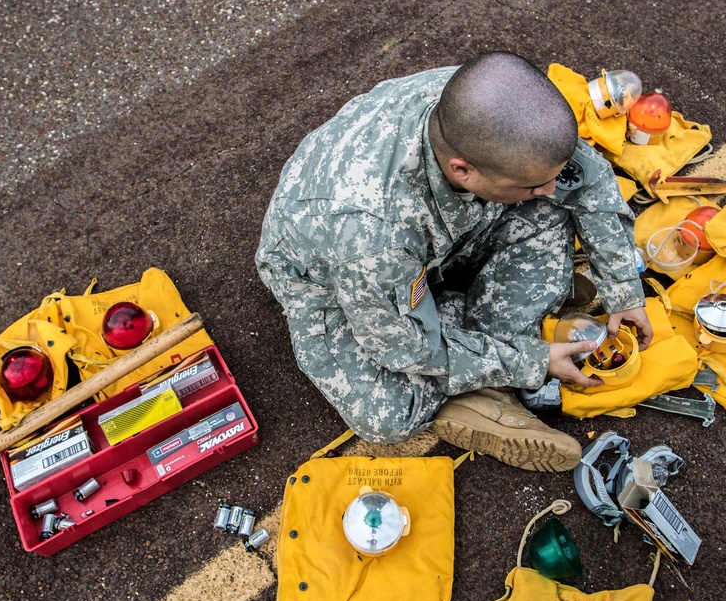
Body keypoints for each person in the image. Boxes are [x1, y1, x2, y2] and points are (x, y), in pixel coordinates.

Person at [256, 51, 652, 472]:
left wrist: (624, 290)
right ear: (463, 170)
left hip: (419, 245)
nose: (552, 186)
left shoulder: (488, 106)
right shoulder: (373, 236)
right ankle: (484, 367)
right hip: (335, 278)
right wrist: (530, 361)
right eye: (534, 183)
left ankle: (476, 372)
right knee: (388, 414)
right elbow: (404, 349)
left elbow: (587, 183)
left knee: (554, 211)